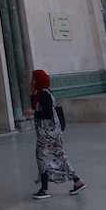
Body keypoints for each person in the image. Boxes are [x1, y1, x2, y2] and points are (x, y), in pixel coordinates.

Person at [23, 69, 86, 200]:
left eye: (33, 79)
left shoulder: (44, 94)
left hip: (49, 135)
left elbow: (48, 114)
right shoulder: (40, 93)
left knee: (42, 158)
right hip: (48, 134)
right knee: (56, 158)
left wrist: (33, 113)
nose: (31, 82)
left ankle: (45, 189)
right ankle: (77, 181)